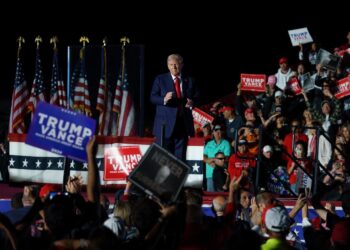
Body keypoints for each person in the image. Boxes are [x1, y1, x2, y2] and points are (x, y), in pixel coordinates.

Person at [150, 54, 199, 160]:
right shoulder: (160, 79)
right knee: (164, 158)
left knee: (180, 158)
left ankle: (178, 177)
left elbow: (197, 97)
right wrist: (164, 99)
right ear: (168, 66)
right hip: (165, 125)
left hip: (183, 125)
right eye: (171, 65)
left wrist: (192, 102)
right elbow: (153, 97)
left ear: (181, 65)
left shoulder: (190, 80)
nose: (174, 67)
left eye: (176, 64)